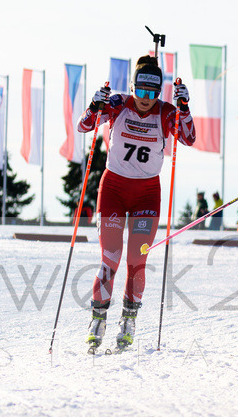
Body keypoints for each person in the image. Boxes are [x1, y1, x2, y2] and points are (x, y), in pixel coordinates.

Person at [79, 55, 195, 353]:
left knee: (136, 259)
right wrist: (94, 105)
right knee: (111, 256)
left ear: (159, 92)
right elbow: (84, 126)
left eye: (152, 93)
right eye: (140, 91)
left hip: (146, 194)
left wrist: (184, 109)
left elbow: (189, 138)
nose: (145, 99)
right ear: (133, 87)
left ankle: (128, 320)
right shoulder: (118, 103)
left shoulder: (166, 112)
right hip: (114, 189)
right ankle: (98, 318)